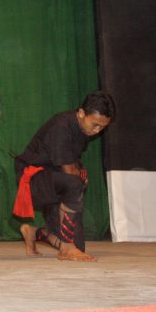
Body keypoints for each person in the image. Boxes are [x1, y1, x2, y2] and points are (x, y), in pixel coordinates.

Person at [12, 90, 114, 262]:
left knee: (78, 246)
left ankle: (33, 233)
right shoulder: (61, 127)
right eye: (95, 124)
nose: (97, 130)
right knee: (74, 183)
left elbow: (73, 166)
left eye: (102, 127)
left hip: (56, 183)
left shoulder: (83, 129)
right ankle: (67, 248)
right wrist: (80, 178)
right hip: (32, 181)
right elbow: (70, 172)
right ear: (81, 113)